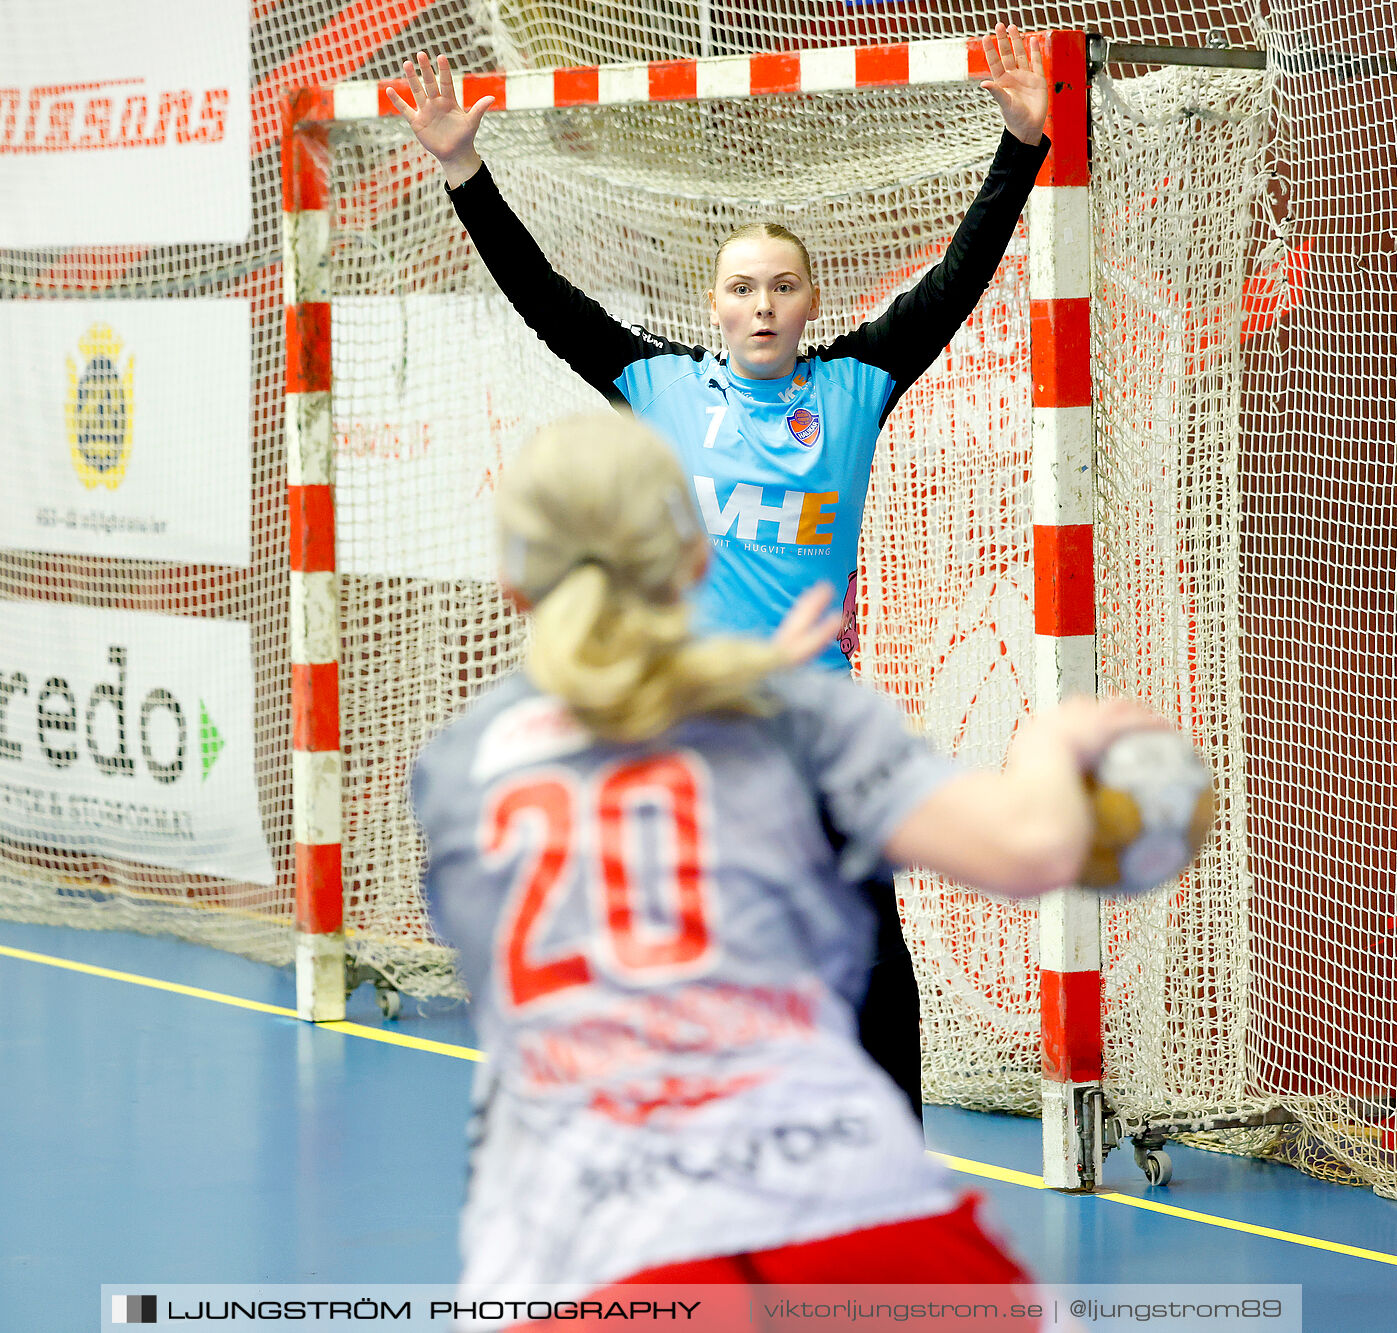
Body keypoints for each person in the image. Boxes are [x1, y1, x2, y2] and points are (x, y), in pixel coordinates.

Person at [391, 24, 1051, 1123]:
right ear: (714, 306)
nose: (760, 304)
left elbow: (954, 283)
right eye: (741, 286)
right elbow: (546, 298)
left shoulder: (855, 386)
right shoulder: (656, 388)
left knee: (874, 959)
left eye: (781, 286)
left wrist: (1020, 147)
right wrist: (465, 171)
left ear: (806, 303)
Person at [410, 414, 1170, 1313]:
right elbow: (1039, 845)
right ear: (695, 558)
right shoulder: (798, 716)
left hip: (590, 1246)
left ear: (509, 581)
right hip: (844, 1201)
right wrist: (1055, 740)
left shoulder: (458, 769)